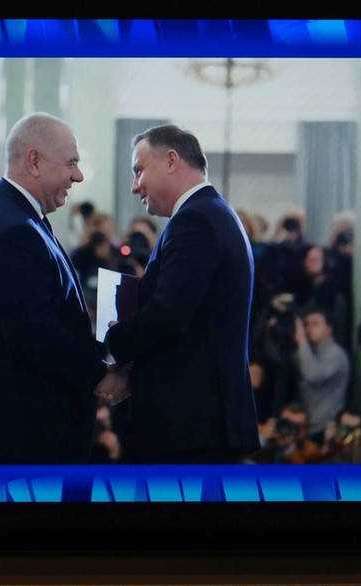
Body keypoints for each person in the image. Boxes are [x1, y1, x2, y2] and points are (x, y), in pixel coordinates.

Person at [0, 112, 124, 464]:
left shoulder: (17, 217)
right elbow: (33, 331)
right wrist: (99, 375)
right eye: (71, 164)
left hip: (15, 431)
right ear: (34, 161)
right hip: (6, 436)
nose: (78, 176)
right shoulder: (11, 229)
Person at [104, 124, 259, 463]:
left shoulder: (195, 220)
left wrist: (114, 341)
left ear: (171, 160)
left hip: (190, 425)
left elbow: (169, 314)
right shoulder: (211, 213)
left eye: (139, 170)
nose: (134, 186)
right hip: (198, 422)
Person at [293, 305, 350, 436]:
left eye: (315, 324)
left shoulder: (336, 354)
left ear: (329, 328)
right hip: (306, 427)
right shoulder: (309, 352)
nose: (308, 329)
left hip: (326, 429)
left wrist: (301, 341)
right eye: (306, 324)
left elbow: (313, 375)